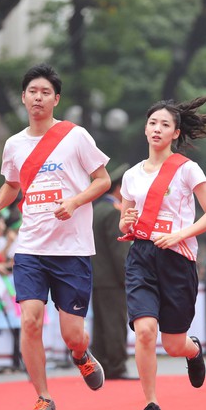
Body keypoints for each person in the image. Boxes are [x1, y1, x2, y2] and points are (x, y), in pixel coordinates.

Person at [0, 63, 111, 410]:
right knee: (31, 321)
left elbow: (102, 181)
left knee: (73, 334)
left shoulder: (75, 136)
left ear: (56, 98)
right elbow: (12, 184)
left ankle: (81, 356)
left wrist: (73, 202)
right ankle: (43, 397)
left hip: (71, 249)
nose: (38, 98)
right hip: (30, 248)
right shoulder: (14, 144)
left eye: (45, 92)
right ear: (24, 97)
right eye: (32, 92)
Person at [118, 96, 206, 410]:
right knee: (145, 331)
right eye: (152, 123)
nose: (157, 129)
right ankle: (151, 403)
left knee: (174, 343)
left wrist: (179, 235)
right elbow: (125, 222)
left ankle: (193, 351)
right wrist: (127, 221)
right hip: (142, 256)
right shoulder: (132, 175)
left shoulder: (187, 169)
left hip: (178, 259)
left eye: (165, 124)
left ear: (176, 133)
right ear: (145, 129)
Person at [91, 162, 135, 380]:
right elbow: (119, 250)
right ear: (118, 188)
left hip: (97, 278)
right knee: (115, 323)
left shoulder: (97, 209)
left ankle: (100, 366)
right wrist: (127, 278)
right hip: (112, 279)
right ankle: (116, 366)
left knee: (100, 324)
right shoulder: (112, 212)